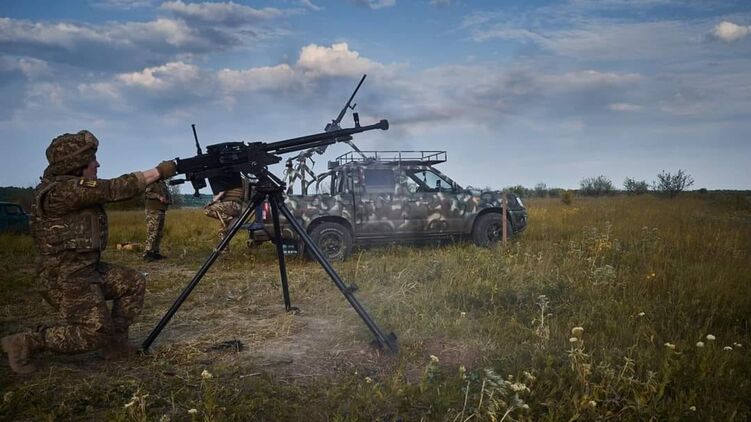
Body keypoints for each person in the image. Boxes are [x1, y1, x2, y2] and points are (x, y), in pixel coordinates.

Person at [0, 130, 176, 374]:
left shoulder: (71, 188)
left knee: (132, 282)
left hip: (85, 270)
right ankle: (26, 342)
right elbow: (113, 189)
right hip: (64, 277)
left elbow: (106, 190)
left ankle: (115, 345)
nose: (98, 164)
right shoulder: (61, 191)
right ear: (76, 165)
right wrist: (160, 171)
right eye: (92, 160)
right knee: (95, 332)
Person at [143, 179, 171, 261]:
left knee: (159, 232)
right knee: (152, 232)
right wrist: (158, 196)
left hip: (161, 209)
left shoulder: (162, 183)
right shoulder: (151, 182)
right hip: (153, 209)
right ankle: (147, 253)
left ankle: (155, 252)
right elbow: (146, 193)